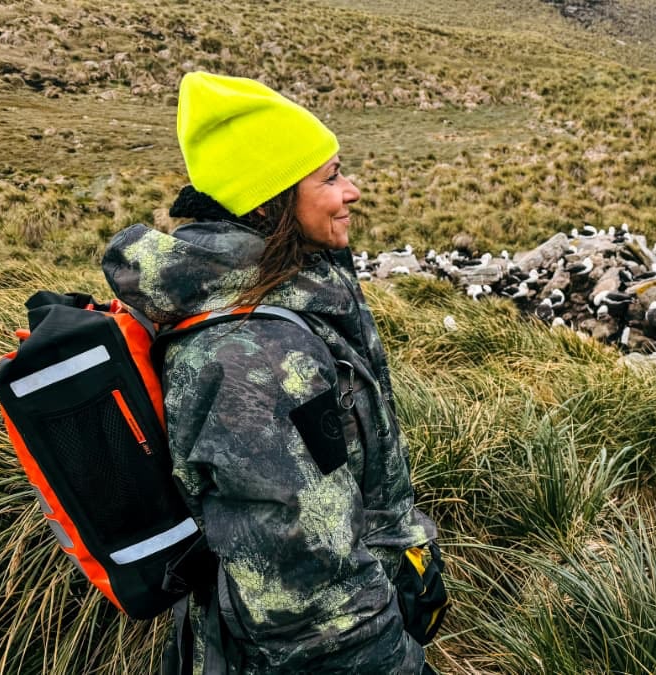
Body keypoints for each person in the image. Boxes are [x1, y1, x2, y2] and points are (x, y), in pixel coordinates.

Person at [102, 71, 444, 674]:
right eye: (330, 177)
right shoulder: (254, 356)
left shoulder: (276, 296)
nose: (352, 191)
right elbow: (308, 598)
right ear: (269, 201)